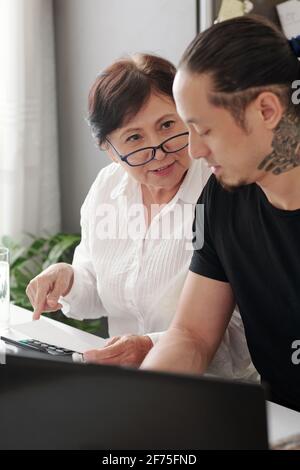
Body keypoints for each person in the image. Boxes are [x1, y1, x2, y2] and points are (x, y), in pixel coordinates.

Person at [25, 53, 254, 379]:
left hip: (214, 392)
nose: (158, 150)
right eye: (134, 138)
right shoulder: (108, 188)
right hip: (127, 386)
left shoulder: (222, 188)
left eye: (167, 125)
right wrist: (69, 279)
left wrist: (152, 346)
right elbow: (97, 287)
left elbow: (243, 328)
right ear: (108, 149)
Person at [141, 16, 300, 411]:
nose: (193, 150)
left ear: (266, 110)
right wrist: (138, 405)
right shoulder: (222, 200)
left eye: (204, 130)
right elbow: (192, 334)